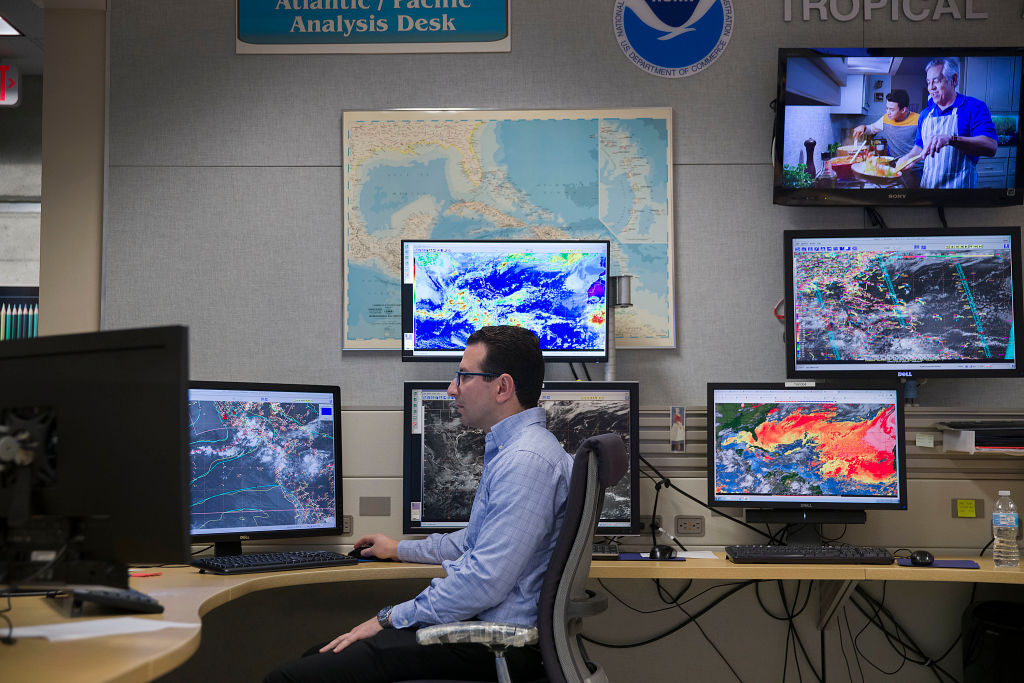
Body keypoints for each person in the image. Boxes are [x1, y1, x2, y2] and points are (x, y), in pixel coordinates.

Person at [265, 325, 573, 683]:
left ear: (502, 387)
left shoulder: (526, 461)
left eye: (463, 376)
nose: (452, 388)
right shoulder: (522, 451)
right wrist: (398, 548)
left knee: (288, 678)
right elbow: (476, 542)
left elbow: (484, 581)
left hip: (496, 646)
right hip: (489, 634)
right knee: (319, 657)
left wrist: (388, 617)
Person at [896, 57, 997, 189]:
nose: (931, 88)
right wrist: (908, 158)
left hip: (960, 190)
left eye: (936, 81)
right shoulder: (925, 114)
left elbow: (991, 147)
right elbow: (920, 147)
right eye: (928, 82)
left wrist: (951, 139)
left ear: (953, 80)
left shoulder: (974, 107)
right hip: (928, 187)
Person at [852, 89, 920, 159]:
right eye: (887, 108)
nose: (888, 112)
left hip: (916, 166)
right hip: (896, 164)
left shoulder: (919, 120)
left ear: (903, 110)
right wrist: (864, 127)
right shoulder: (886, 118)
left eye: (892, 110)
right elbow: (872, 129)